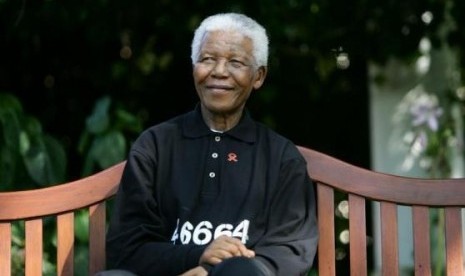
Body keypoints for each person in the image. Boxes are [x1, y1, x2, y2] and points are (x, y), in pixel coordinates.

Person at [105, 12, 318, 276]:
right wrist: (196, 255)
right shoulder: (157, 146)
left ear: (259, 76)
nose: (219, 71)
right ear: (194, 67)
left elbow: (290, 251)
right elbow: (125, 247)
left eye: (236, 62)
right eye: (207, 59)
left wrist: (209, 272)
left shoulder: (281, 158)